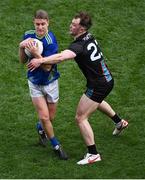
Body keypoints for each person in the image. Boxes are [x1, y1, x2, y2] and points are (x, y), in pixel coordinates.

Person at [28, 11, 128, 165]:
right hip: (107, 79)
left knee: (80, 117)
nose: (70, 25)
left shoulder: (78, 45)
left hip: (98, 84)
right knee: (96, 100)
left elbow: (61, 57)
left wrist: (39, 60)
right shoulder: (89, 37)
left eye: (74, 25)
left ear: (81, 29)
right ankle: (119, 122)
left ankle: (93, 154)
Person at [19, 9, 68, 160]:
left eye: (43, 24)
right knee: (44, 117)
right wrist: (21, 46)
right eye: (37, 24)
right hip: (34, 82)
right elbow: (22, 61)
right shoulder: (28, 35)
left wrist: (35, 53)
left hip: (50, 82)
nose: (40, 27)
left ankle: (40, 128)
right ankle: (56, 146)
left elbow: (47, 68)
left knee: (50, 117)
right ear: (34, 22)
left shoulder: (50, 41)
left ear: (48, 23)